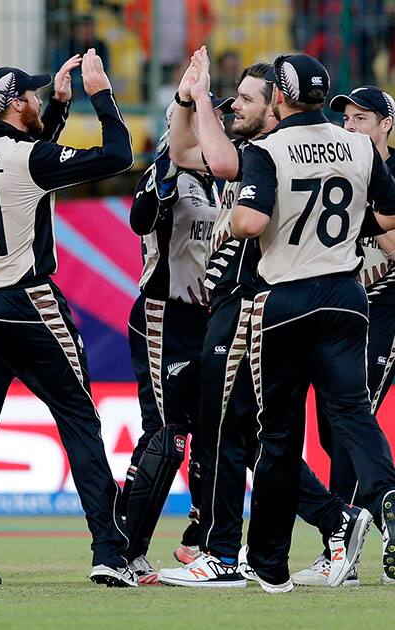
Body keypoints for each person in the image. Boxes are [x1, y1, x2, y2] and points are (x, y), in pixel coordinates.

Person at [0, 50, 136, 588]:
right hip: (27, 303)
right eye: (31, 96)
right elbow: (117, 155)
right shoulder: (29, 159)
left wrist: (57, 103)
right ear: (14, 105)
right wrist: (99, 93)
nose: (38, 100)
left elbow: (33, 157)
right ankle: (110, 550)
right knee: (80, 420)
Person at [157, 48, 348, 589]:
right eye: (233, 96)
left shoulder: (268, 155)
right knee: (245, 431)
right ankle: (335, 519)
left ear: (275, 107)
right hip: (238, 304)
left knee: (226, 432)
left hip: (249, 303)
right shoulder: (252, 150)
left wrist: (201, 101)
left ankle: (222, 553)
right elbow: (183, 148)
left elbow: (213, 163)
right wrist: (185, 97)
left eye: (246, 99)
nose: (234, 105)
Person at [229, 53, 395, 593]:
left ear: (279, 97)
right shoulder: (358, 146)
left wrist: (233, 219)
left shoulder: (266, 149)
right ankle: (386, 494)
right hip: (347, 295)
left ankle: (270, 564)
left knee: (278, 434)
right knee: (350, 412)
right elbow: (390, 213)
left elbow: (251, 221)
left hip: (287, 299)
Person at [120, 96, 232, 584]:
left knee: (212, 432)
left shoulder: (220, 180)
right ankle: (125, 547)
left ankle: (200, 542)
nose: (218, 124)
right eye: (205, 116)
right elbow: (140, 219)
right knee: (166, 436)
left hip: (205, 317)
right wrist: (166, 168)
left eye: (221, 117)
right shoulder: (167, 170)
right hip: (163, 314)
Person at [291, 85, 395, 587]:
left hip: (387, 309)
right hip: (348, 310)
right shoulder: (342, 167)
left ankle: (343, 550)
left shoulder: (386, 172)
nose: (351, 126)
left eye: (362, 118)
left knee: (353, 420)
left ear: (385, 125)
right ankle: (366, 527)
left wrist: (363, 215)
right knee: (337, 428)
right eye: (347, 118)